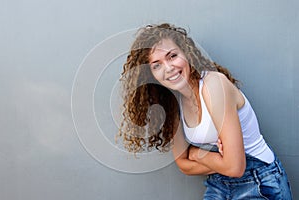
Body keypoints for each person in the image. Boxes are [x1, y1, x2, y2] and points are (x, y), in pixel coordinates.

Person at [118, 23, 292, 199]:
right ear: (151, 75)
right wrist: (222, 161)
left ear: (186, 53)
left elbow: (236, 167)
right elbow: (183, 165)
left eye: (172, 56)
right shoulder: (172, 105)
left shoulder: (214, 85)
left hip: (259, 180)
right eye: (157, 65)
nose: (168, 68)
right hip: (218, 183)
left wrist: (197, 154)